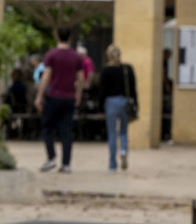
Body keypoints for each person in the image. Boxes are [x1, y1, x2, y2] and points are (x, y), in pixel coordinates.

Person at [35, 27, 94, 172]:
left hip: (53, 96)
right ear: (70, 38)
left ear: (57, 37)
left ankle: (51, 158)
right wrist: (78, 94)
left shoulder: (51, 55)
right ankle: (66, 164)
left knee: (48, 128)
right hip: (69, 98)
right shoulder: (76, 57)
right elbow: (81, 78)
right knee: (66, 131)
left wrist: (39, 95)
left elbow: (46, 76)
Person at [98, 42, 137, 170]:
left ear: (108, 55)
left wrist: (100, 108)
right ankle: (124, 150)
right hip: (125, 102)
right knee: (124, 131)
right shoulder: (127, 68)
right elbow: (133, 89)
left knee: (112, 133)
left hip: (110, 103)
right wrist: (136, 105)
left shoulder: (105, 70)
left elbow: (102, 91)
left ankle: (112, 163)